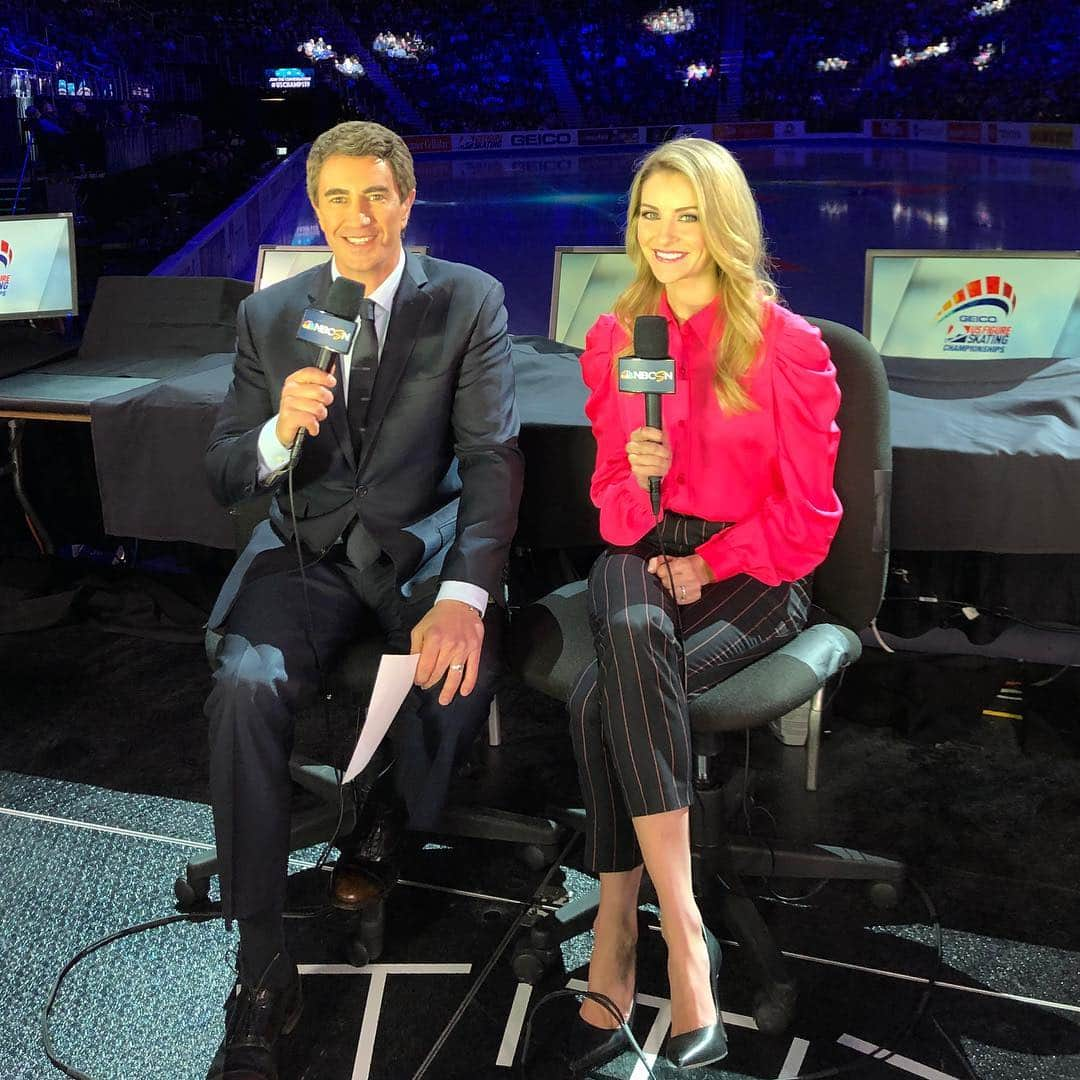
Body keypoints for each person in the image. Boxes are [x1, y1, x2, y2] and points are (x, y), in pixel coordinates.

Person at [203, 120, 522, 1080]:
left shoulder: (469, 300)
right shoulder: (272, 315)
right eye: (336, 198)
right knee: (244, 688)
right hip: (307, 556)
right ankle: (263, 969)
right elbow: (224, 475)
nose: (357, 217)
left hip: (420, 550)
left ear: (407, 201)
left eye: (375, 195)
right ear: (315, 207)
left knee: (461, 667)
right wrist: (275, 433)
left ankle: (386, 823)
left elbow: (491, 459)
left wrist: (464, 593)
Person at [566, 137, 841, 1073]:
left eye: (688, 214)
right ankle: (683, 928)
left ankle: (626, 923)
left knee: (606, 698)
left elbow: (808, 521)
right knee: (632, 618)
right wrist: (636, 483)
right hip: (639, 551)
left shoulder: (788, 348)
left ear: (723, 225)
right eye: (651, 214)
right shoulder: (619, 341)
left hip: (755, 571)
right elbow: (608, 503)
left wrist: (713, 558)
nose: (666, 235)